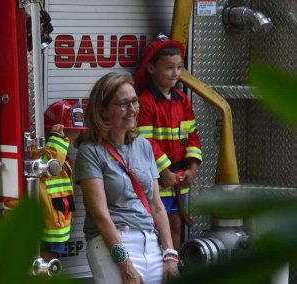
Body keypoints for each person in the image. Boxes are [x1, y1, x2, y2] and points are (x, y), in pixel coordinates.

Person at [74, 72, 179, 284]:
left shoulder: (144, 146)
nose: (132, 110)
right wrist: (126, 265)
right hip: (113, 244)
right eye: (123, 104)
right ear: (103, 111)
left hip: (150, 242)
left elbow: (157, 206)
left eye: (134, 101)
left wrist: (170, 254)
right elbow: (101, 215)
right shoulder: (90, 151)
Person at [134, 33, 202, 251]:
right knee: (157, 225)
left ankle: (174, 266)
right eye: (169, 67)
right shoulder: (145, 102)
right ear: (151, 69)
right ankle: (160, 266)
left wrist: (192, 167)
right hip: (157, 179)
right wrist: (164, 170)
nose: (176, 73)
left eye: (179, 67)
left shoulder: (183, 101)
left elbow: (192, 135)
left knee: (176, 223)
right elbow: (146, 142)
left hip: (178, 179)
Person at [31, 122, 75, 261]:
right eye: (77, 130)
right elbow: (46, 164)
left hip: (57, 220)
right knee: (46, 267)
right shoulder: (54, 151)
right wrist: (58, 140)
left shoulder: (61, 152)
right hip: (51, 224)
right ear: (64, 130)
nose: (80, 133)